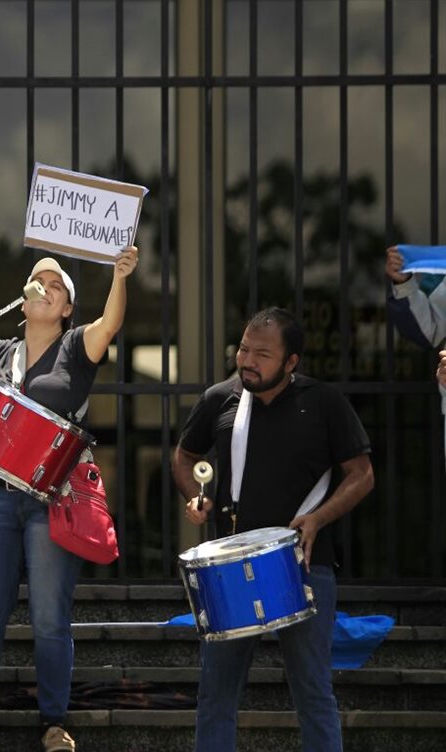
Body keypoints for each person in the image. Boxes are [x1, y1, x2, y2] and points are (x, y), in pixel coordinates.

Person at [0, 248, 139, 752]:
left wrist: (119, 277)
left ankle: (54, 724)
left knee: (48, 618)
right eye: (37, 280)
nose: (44, 286)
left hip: (52, 500)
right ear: (23, 300)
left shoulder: (78, 346)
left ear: (65, 309)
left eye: (55, 285)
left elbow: (112, 321)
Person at [172, 307, 375, 752]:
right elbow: (183, 456)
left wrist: (318, 519)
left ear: (291, 362)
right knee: (217, 694)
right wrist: (195, 495)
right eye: (244, 348)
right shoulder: (219, 398)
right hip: (228, 567)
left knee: (312, 690)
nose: (247, 360)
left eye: (262, 354)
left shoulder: (323, 402)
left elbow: (362, 474)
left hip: (305, 563)